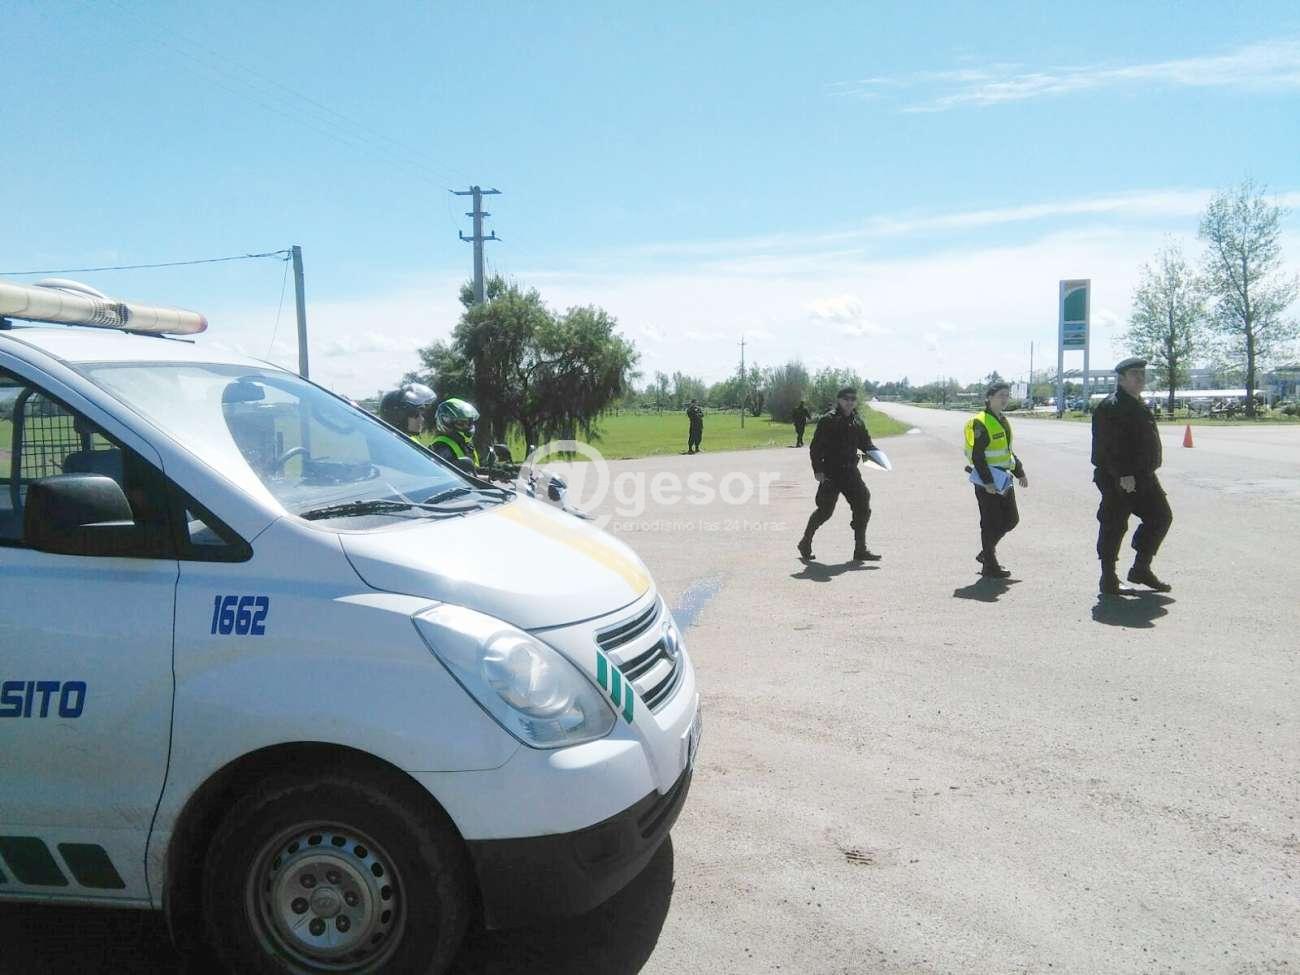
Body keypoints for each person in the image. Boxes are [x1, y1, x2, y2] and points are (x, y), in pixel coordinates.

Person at [1091, 357, 1173, 595]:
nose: (1140, 378)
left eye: (1142, 373)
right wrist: (1123, 474)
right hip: (1119, 478)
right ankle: (1108, 578)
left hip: (1143, 476)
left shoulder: (1137, 403)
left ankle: (1141, 568)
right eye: (1135, 373)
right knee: (1114, 525)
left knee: (1161, 517)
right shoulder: (1112, 406)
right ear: (1121, 379)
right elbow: (1108, 446)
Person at [797, 385, 880, 563]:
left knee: (863, 504)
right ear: (839, 400)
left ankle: (860, 549)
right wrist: (818, 470)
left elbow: (866, 445)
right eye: (846, 399)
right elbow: (815, 448)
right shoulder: (828, 420)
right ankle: (805, 542)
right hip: (831, 473)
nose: (850, 402)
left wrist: (878, 457)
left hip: (850, 472)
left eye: (853, 399)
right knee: (825, 511)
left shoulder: (857, 422)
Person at [964, 381, 1028, 579]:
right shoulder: (981, 422)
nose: (1004, 399)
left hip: (1004, 478)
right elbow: (978, 456)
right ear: (989, 398)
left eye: (1007, 395)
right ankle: (990, 566)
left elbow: (1006, 451)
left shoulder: (1002, 420)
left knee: (1011, 519)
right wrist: (988, 482)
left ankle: (986, 553)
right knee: (990, 522)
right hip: (988, 481)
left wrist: (1020, 472)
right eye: (1001, 395)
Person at [430, 397, 480, 467]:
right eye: (460, 423)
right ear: (447, 422)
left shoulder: (465, 444)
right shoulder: (442, 447)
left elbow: (473, 469)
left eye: (468, 422)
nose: (466, 427)